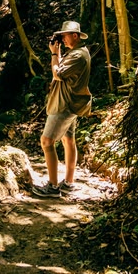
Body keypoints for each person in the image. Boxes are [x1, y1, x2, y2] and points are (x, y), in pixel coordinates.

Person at [32, 20, 92, 198]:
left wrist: (53, 54)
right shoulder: (77, 52)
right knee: (68, 140)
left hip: (64, 105)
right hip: (71, 103)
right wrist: (58, 53)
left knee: (47, 141)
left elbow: (57, 74)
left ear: (75, 35)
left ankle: (52, 186)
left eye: (64, 36)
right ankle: (69, 183)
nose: (62, 40)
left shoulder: (77, 56)